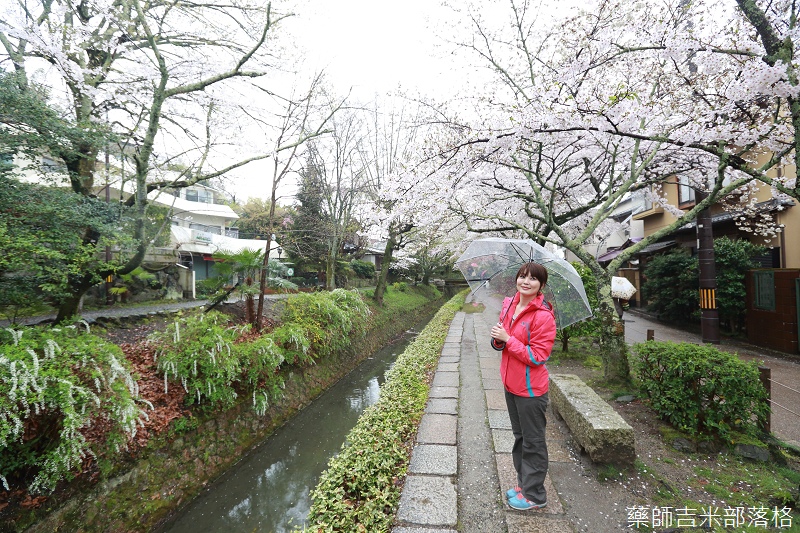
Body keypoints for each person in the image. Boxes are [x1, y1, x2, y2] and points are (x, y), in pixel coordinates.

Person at [489, 262, 556, 511]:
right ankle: (524, 484)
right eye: (522, 276)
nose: (526, 282)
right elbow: (502, 343)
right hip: (511, 384)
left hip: (531, 391)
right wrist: (498, 340)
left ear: (541, 285)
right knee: (520, 438)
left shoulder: (543, 316)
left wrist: (509, 339)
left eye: (533, 279)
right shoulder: (510, 305)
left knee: (534, 442)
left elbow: (538, 356)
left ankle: (536, 495)